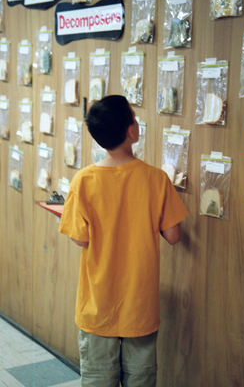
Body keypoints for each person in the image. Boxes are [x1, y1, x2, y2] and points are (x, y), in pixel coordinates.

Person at [58, 95, 189, 387]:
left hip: (97, 304)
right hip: (139, 305)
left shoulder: (83, 181)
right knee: (141, 378)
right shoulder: (156, 179)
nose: (136, 120)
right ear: (131, 131)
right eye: (133, 116)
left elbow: (80, 240)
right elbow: (174, 236)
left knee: (97, 378)